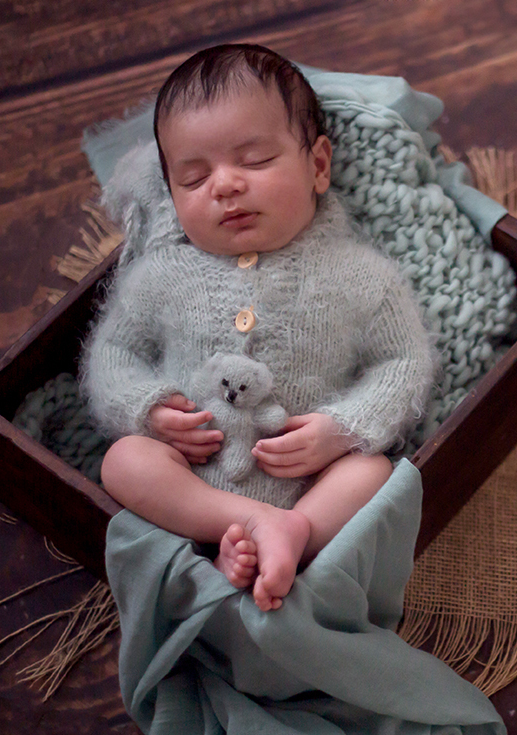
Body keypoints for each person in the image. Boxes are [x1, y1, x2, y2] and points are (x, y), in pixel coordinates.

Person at [80, 44, 435, 611]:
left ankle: (289, 533)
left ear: (318, 166)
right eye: (193, 178)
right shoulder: (161, 273)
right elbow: (115, 350)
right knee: (124, 460)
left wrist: (343, 428)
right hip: (191, 477)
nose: (224, 186)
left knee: (370, 471)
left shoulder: (359, 273)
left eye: (254, 161)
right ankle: (249, 525)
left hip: (308, 483)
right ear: (171, 194)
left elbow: (404, 362)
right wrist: (146, 408)